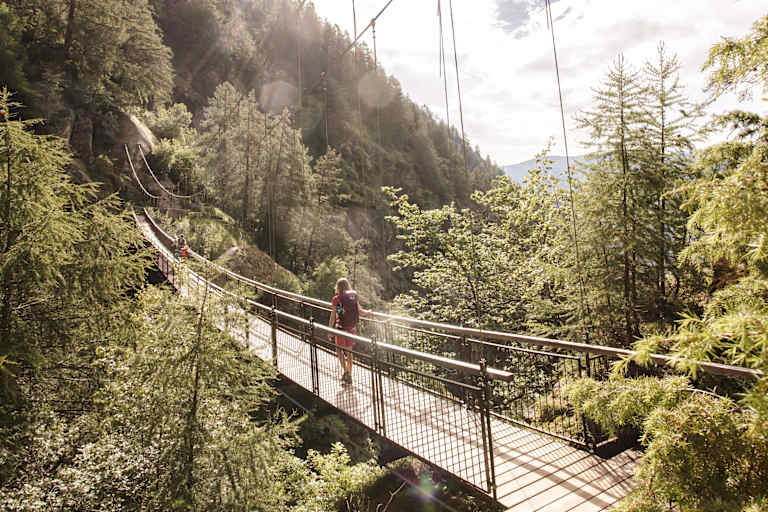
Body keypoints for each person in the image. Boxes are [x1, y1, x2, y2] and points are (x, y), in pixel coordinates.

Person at [328, 277, 370, 385]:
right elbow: (360, 311)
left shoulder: (336, 299)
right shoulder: (352, 297)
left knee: (339, 350)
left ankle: (346, 372)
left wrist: (330, 330)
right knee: (349, 352)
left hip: (340, 329)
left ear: (338, 287)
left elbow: (333, 315)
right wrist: (369, 312)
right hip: (351, 327)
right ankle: (349, 373)